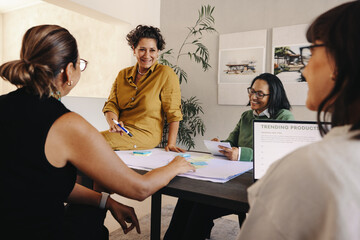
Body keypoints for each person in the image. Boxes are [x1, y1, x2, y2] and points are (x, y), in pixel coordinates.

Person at [0, 24, 195, 240]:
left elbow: (42, 183)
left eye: (152, 50)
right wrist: (174, 165)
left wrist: (106, 201)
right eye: (80, 65)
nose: (147, 54)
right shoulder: (69, 124)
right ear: (68, 71)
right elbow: (140, 189)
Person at [237, 1, 360, 239]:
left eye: (312, 52)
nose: (303, 70)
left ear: (340, 61)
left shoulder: (306, 169)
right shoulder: (245, 116)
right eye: (251, 91)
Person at [164, 73, 294, 240]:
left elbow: (273, 153)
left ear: (274, 95)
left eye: (259, 94)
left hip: (255, 185)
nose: (253, 97)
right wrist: (221, 144)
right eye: (251, 91)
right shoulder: (246, 116)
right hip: (232, 177)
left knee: (200, 207)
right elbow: (232, 140)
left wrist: (239, 153)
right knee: (187, 198)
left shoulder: (284, 117)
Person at [102, 25, 184, 152]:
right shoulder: (122, 75)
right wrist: (114, 122)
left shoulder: (165, 74)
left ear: (157, 52)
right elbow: (112, 104)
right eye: (142, 49)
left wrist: (171, 144)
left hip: (146, 135)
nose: (147, 55)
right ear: (134, 49)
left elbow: (174, 113)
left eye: (152, 50)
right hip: (122, 133)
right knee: (87, 138)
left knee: (94, 140)